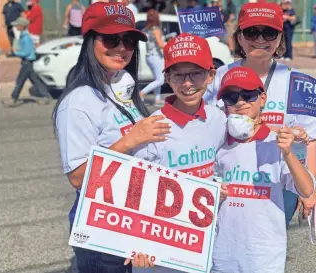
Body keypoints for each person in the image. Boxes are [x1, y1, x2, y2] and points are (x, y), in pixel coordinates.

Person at [53, 2, 171, 272]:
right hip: (102, 223)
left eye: (128, 40)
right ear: (90, 41)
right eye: (110, 38)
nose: (121, 48)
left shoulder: (121, 88)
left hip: (132, 215)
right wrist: (131, 140)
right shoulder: (79, 101)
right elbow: (78, 176)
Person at [203, 1, 316, 226]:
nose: (260, 40)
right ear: (239, 38)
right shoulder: (220, 76)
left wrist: (310, 192)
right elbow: (203, 128)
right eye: (251, 32)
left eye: (269, 33)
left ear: (280, 38)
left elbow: (311, 140)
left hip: (280, 183)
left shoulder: (296, 81)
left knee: (269, 245)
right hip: (231, 183)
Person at [128, 32, 228, 272]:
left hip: (205, 242)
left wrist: (218, 186)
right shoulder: (152, 127)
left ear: (210, 75)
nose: (187, 83)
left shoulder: (219, 119)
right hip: (162, 249)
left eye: (196, 73)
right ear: (167, 78)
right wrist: (135, 242)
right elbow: (133, 192)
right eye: (178, 75)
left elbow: (223, 165)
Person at [211, 66, 315, 273]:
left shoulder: (277, 142)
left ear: (263, 98)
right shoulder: (217, 143)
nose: (240, 102)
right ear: (224, 105)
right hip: (221, 255)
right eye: (231, 97)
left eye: (248, 95)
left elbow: (307, 190)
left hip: (264, 257)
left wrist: (288, 153)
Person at [2, 17, 52, 108]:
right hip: (27, 62)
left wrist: (14, 53)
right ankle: (47, 96)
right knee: (35, 81)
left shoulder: (26, 38)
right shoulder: (23, 36)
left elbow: (26, 52)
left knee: (20, 81)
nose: (16, 27)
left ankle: (13, 99)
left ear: (22, 26)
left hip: (27, 62)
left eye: (17, 25)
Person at [139, 9, 165, 106]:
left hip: (149, 56)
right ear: (156, 18)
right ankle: (142, 93)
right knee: (160, 80)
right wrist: (171, 44)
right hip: (156, 56)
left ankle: (157, 100)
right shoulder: (156, 29)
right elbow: (160, 44)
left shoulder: (147, 29)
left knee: (157, 79)